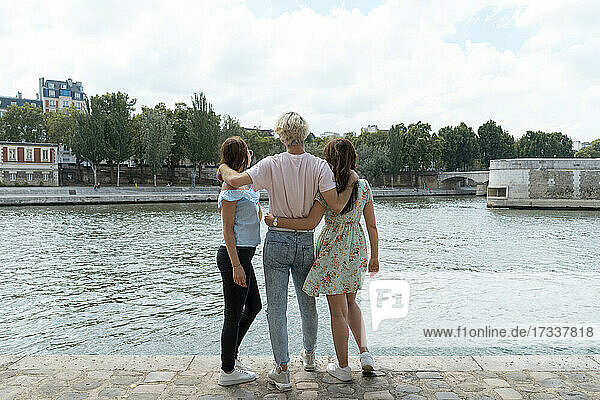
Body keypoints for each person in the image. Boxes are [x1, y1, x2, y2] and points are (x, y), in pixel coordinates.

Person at [218, 112, 357, 391]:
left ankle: (282, 371)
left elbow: (235, 182)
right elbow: (337, 205)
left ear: (281, 136)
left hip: (277, 242)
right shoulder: (320, 167)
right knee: (308, 305)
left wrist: (223, 167)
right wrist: (353, 180)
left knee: (276, 310)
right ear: (304, 135)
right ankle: (309, 357)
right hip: (305, 241)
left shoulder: (270, 164)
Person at [264, 138, 380, 382]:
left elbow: (309, 224)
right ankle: (365, 354)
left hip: (333, 249)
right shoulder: (364, 186)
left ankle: (343, 367)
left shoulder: (326, 187)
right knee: (351, 304)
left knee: (337, 312)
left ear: (329, 160)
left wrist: (276, 221)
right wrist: (375, 257)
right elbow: (371, 225)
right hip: (356, 247)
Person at [216, 136, 262, 386]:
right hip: (235, 256)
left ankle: (231, 357)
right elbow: (227, 229)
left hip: (245, 255)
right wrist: (236, 265)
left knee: (253, 306)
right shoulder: (230, 187)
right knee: (233, 315)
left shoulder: (241, 184)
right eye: (248, 152)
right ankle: (227, 370)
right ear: (241, 156)